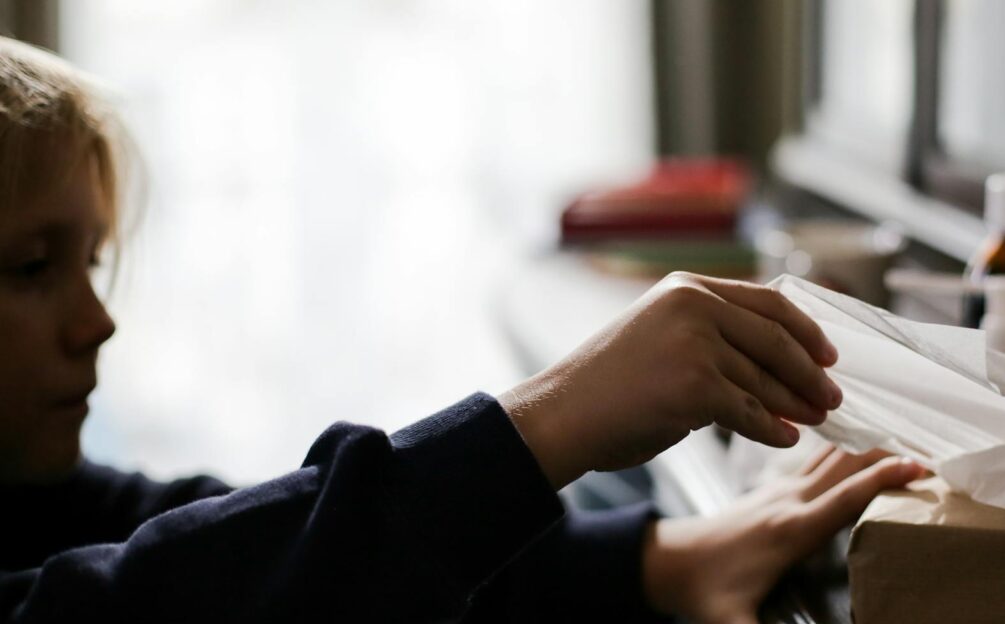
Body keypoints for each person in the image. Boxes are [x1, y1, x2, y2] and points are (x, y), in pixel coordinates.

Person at [0, 37, 923, 623]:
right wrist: (549, 420)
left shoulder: (43, 496)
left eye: (90, 261)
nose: (96, 320)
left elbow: (261, 552)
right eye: (31, 268)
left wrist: (653, 561)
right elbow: (151, 610)